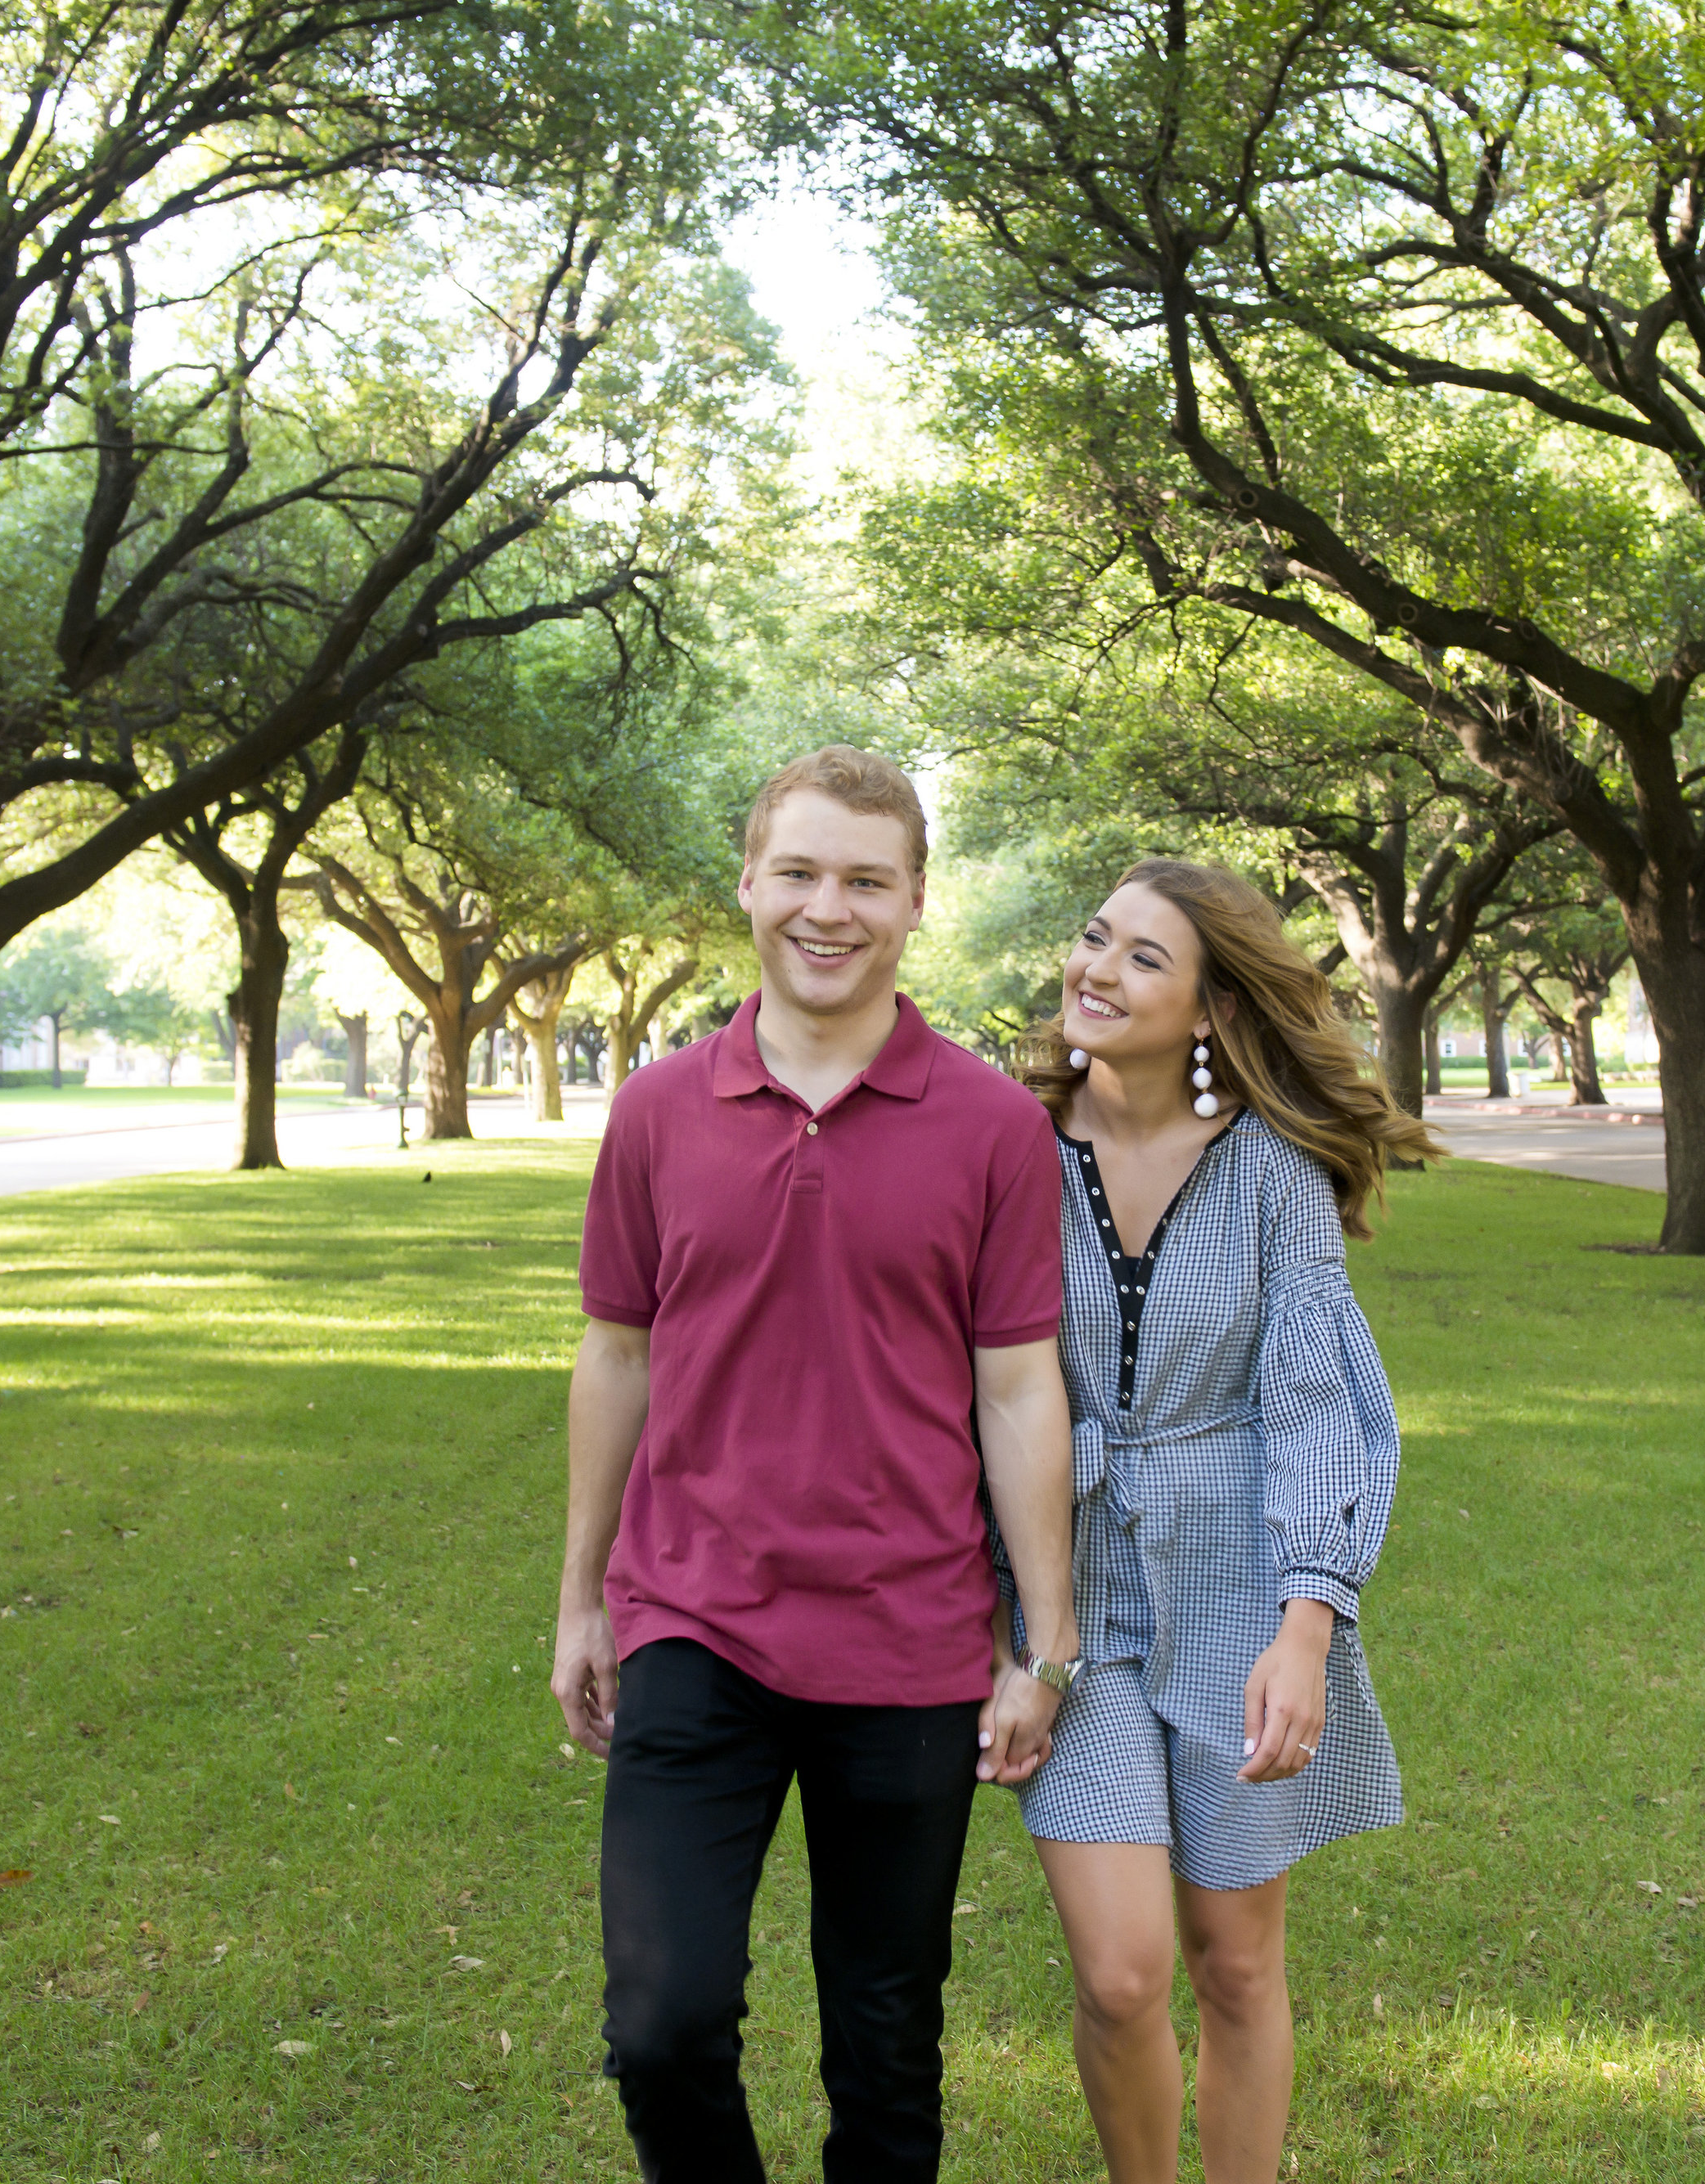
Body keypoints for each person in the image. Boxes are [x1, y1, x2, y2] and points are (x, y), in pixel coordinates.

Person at [551, 745, 1082, 2184]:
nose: (826, 908)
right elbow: (617, 1353)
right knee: (661, 2025)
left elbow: (1020, 1386)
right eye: (798, 871)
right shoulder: (658, 1109)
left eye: (865, 879)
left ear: (916, 902)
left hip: (906, 1639)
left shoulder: (993, 1126)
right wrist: (582, 1597)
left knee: (887, 2047)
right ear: (747, 883)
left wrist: (1041, 1640)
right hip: (693, 1617)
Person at [1010, 858, 1437, 2184]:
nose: (1098, 968)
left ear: (1207, 1010)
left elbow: (1313, 1402)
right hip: (1067, 1608)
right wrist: (1012, 1631)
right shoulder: (1009, 1149)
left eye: (1144, 957)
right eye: (1095, 938)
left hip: (1241, 1592)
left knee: (1238, 1963)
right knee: (1126, 1974)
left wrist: (1308, 1623)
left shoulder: (1271, 1172)